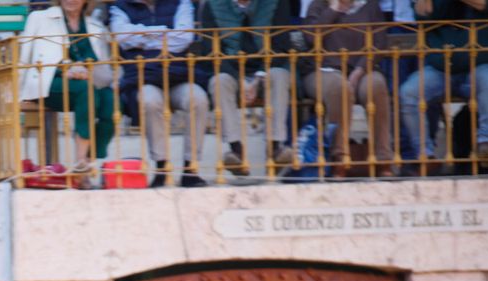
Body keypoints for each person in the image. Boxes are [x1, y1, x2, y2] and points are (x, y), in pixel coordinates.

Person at [399, 0, 488, 168]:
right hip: (441, 69)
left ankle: (486, 142)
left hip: (481, 65)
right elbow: (423, 12)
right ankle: (424, 155)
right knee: (409, 92)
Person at [111, 0, 209, 186]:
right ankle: (161, 165)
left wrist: (143, 35)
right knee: (149, 100)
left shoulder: (182, 3)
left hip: (178, 76)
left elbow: (184, 38)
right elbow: (122, 37)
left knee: (198, 98)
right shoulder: (120, 7)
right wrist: (164, 32)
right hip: (144, 77)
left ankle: (190, 168)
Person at [202, 0, 299, 175]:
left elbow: (281, 45)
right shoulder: (212, 5)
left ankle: (275, 147)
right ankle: (236, 151)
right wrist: (240, 80)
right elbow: (211, 52)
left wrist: (258, 77)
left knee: (279, 75)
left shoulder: (276, 3)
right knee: (219, 82)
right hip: (231, 70)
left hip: (267, 68)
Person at [17, 1, 115, 171]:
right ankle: (81, 161)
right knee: (86, 91)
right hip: (47, 81)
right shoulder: (39, 18)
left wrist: (86, 71)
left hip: (86, 81)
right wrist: (64, 70)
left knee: (112, 102)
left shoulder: (95, 26)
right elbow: (25, 57)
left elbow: (103, 67)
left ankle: (88, 159)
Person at [302, 0, 395, 175]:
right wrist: (334, 10)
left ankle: (383, 159)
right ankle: (340, 157)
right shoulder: (318, 5)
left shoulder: (370, 6)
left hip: (362, 69)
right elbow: (310, 38)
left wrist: (359, 70)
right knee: (340, 88)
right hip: (323, 70)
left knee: (376, 85)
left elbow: (379, 43)